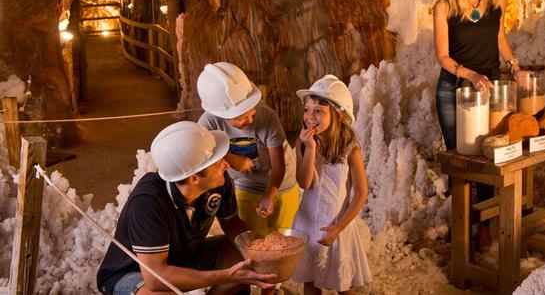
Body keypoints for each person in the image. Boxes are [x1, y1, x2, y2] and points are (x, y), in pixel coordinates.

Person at [97, 121, 276, 295]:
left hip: (184, 255)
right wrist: (225, 276)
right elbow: (155, 278)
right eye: (217, 163)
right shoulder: (148, 201)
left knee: (246, 257)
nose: (226, 165)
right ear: (194, 179)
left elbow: (233, 225)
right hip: (135, 272)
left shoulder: (218, 182)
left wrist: (264, 254)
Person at [433, 0, 525, 252]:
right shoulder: (444, 7)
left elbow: (499, 40)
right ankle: (462, 226)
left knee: (488, 156)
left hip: (488, 87)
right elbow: (443, 56)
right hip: (454, 89)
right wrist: (469, 73)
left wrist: (514, 66)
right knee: (462, 161)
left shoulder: (495, 1)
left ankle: (484, 224)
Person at [290, 74, 371, 295]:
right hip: (307, 223)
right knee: (310, 280)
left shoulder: (350, 148)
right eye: (307, 109)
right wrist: (311, 149)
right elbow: (305, 183)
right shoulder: (303, 144)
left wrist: (338, 227)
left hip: (337, 224)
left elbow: (361, 194)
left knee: (343, 284)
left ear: (338, 115)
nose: (310, 116)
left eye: (319, 111)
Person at [197, 62, 299, 231]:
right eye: (241, 117)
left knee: (282, 237)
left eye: (251, 111)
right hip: (245, 184)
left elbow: (279, 167)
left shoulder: (268, 118)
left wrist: (269, 196)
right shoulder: (208, 123)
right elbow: (200, 153)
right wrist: (230, 158)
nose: (250, 120)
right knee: (249, 237)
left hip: (281, 183)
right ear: (221, 114)